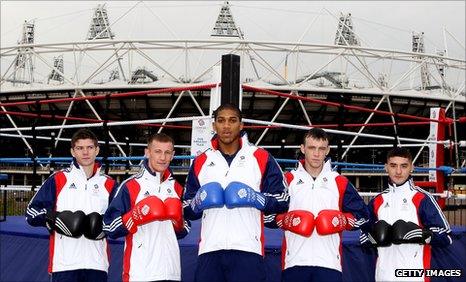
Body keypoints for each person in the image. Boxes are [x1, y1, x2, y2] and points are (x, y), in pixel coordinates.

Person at [183, 103, 289, 282]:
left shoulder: (260, 157)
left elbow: (283, 199)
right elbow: (186, 208)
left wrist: (256, 198)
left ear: (241, 125)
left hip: (248, 250)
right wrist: (197, 202)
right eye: (221, 121)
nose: (226, 126)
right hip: (210, 250)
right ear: (214, 125)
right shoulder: (201, 162)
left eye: (232, 121)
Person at [277, 128, 369, 282]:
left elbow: (363, 215)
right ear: (302, 148)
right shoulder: (288, 180)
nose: (316, 154)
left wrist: (343, 221)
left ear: (327, 150)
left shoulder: (339, 182)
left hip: (330, 263)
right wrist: (284, 220)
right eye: (312, 148)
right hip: (294, 262)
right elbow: (269, 215)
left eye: (321, 149)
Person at [26, 129, 117, 282]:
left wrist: (104, 227)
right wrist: (55, 219)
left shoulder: (109, 184)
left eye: (89, 147)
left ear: (97, 150)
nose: (85, 152)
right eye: (80, 148)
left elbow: (118, 220)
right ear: (72, 152)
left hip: (97, 263)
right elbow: (31, 213)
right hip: (64, 264)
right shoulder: (58, 179)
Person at [103, 133, 189, 282]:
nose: (162, 158)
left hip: (171, 271)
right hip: (140, 273)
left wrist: (179, 224)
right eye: (157, 151)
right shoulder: (131, 185)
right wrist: (133, 217)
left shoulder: (177, 188)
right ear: (147, 152)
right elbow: (108, 226)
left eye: (167, 152)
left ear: (173, 155)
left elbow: (185, 229)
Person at [360, 147, 452, 281]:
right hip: (383, 276)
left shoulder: (422, 198)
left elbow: (446, 237)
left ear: (411, 168)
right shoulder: (377, 201)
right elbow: (362, 238)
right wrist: (374, 237)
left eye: (403, 166)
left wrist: (419, 234)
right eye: (393, 166)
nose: (398, 171)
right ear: (386, 167)